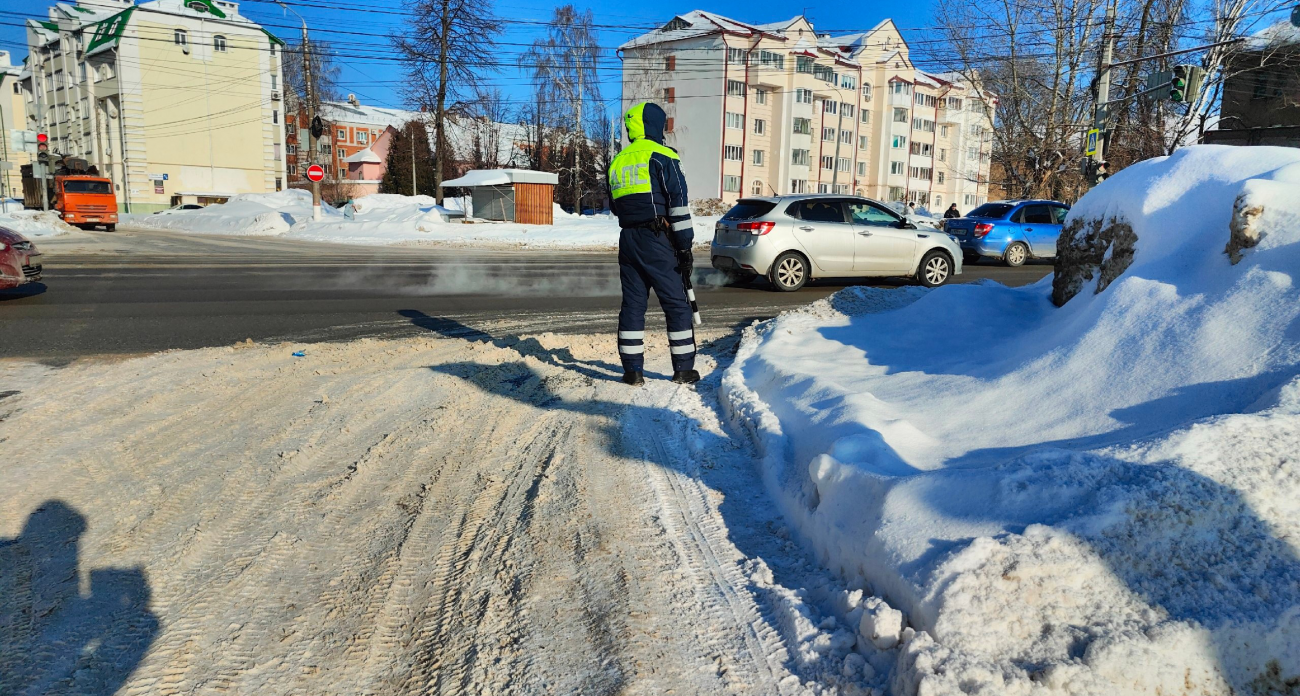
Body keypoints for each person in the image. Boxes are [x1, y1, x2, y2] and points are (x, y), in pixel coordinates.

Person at [606, 102, 699, 386]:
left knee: (633, 306)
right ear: (655, 125)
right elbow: (678, 205)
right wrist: (684, 247)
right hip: (658, 238)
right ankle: (683, 369)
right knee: (676, 304)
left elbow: (614, 206)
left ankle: (632, 371)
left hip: (628, 239)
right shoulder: (663, 156)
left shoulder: (618, 160)